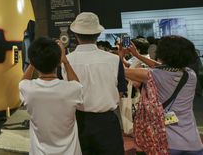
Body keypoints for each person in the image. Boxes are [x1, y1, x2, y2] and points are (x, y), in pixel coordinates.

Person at [123, 35, 203, 154]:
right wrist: (138, 55)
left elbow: (121, 71)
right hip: (193, 142)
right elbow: (161, 67)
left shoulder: (152, 75)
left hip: (166, 143)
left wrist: (120, 54)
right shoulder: (190, 74)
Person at [62, 12, 127, 155]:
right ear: (98, 34)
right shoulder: (114, 60)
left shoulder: (65, 61)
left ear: (75, 34)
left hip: (78, 122)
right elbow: (121, 92)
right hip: (107, 123)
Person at [19, 37, 83, 154]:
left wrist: (33, 62)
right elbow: (77, 84)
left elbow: (22, 82)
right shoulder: (71, 89)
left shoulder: (28, 89)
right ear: (58, 61)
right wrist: (66, 61)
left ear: (33, 62)